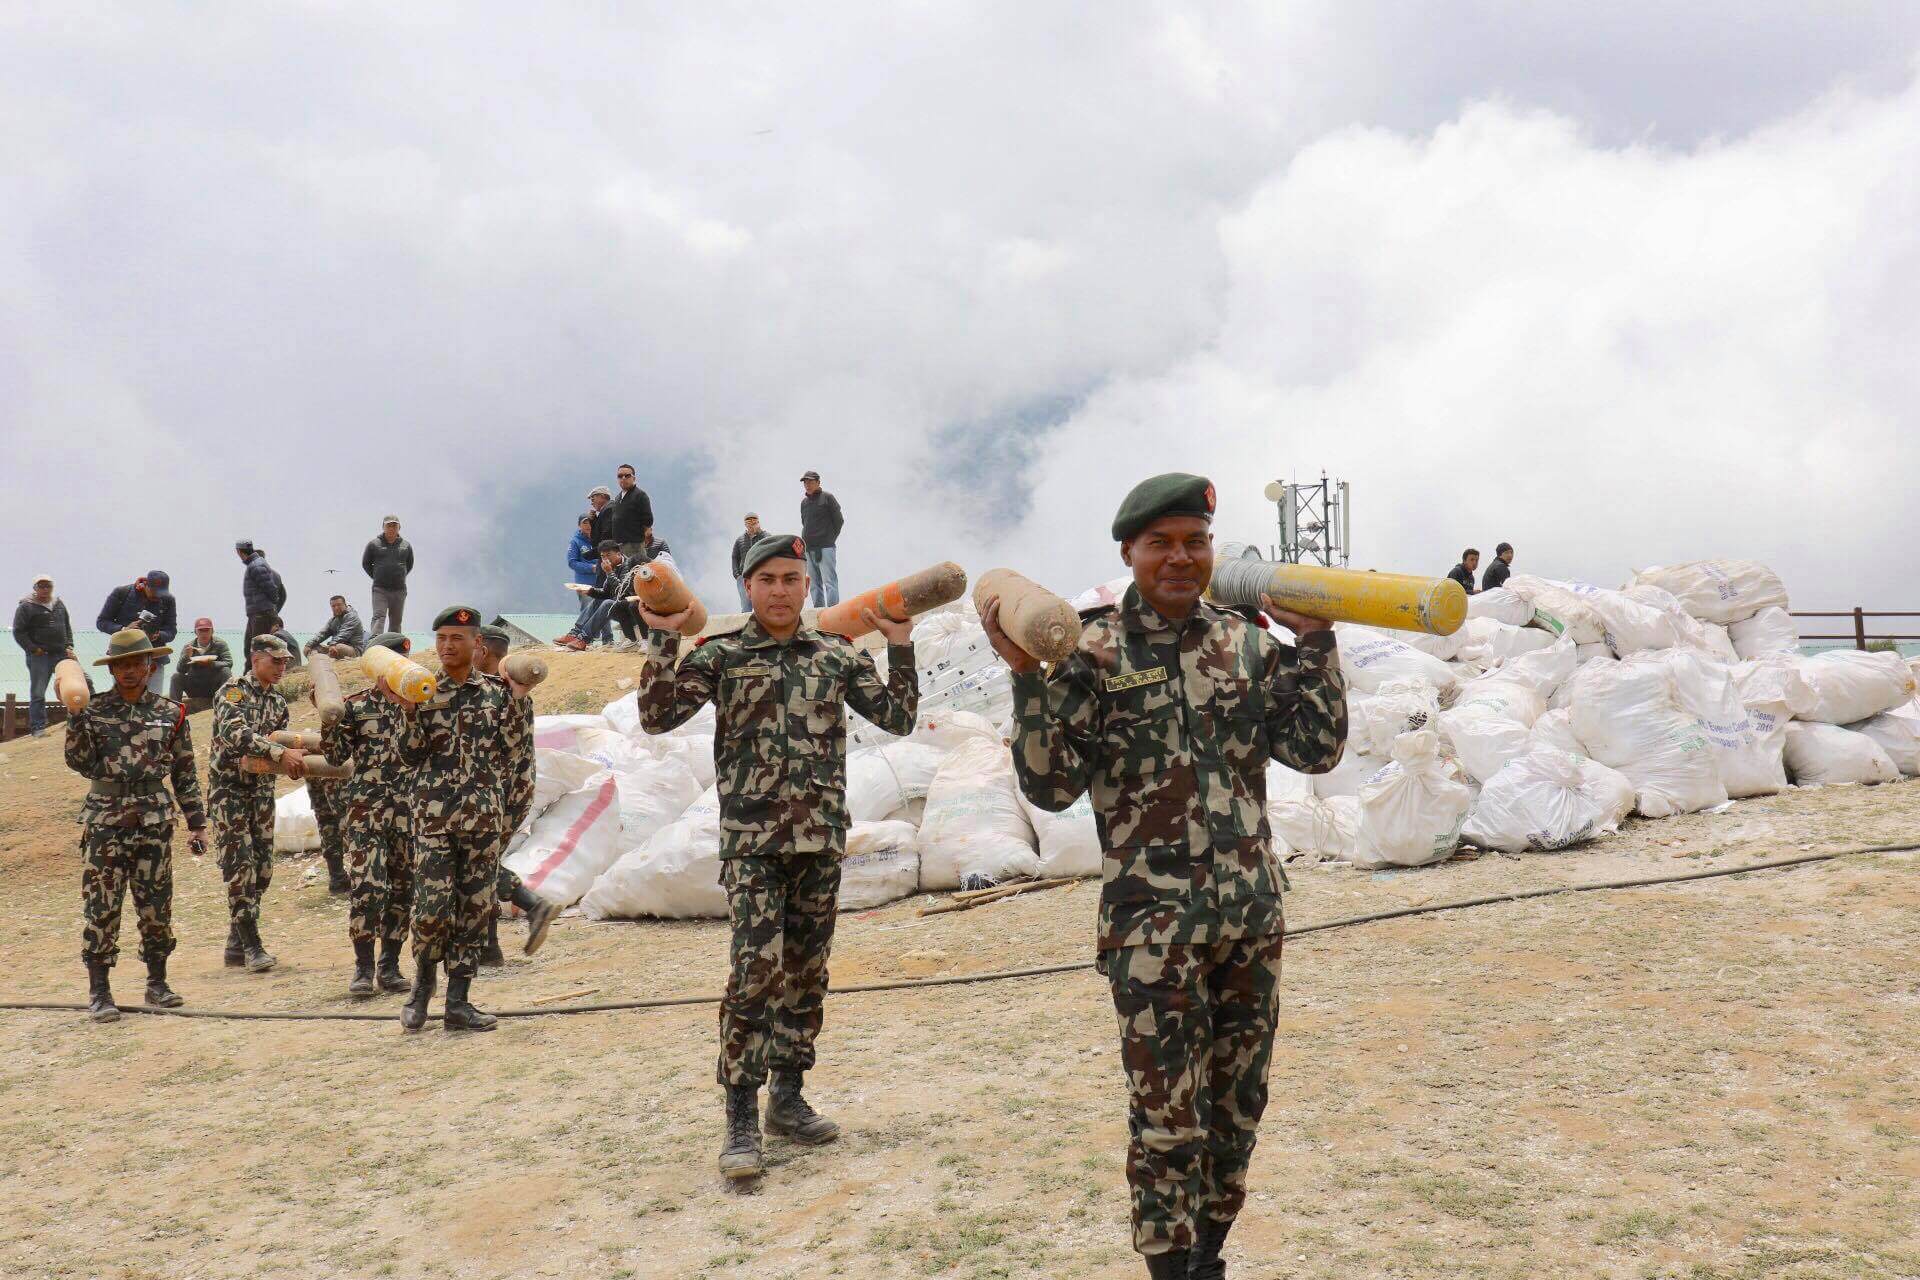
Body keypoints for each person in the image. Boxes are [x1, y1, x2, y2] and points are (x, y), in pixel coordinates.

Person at [985, 473, 1348, 1280]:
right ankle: (1170, 1267)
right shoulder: (1090, 653)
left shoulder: (1247, 645)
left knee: (1237, 1111)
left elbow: (1316, 749)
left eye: (1196, 542)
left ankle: (1207, 1258)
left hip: (1250, 920)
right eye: (1162, 544)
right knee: (1166, 1121)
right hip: (1152, 932)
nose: (1181, 558)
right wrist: (1026, 678)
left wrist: (1317, 644)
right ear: (1130, 553)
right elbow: (1050, 786)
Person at [637, 532, 919, 1182]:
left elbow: (899, 718)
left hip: (819, 841)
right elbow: (655, 718)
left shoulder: (836, 654)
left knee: (807, 973)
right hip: (753, 846)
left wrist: (901, 645)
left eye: (791, 579)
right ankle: (740, 1114)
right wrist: (660, 638)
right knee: (755, 975)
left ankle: (787, 1098)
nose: (780, 591)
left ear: (807, 585)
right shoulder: (722, 656)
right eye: (767, 580)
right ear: (748, 587)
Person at [62, 628, 207, 1021]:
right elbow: (78, 762)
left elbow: (184, 772)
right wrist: (75, 720)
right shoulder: (93, 710)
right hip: (105, 821)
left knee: (156, 906)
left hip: (154, 821)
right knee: (102, 906)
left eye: (136, 663)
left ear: (150, 666)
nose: (128, 671)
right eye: (121, 664)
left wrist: (197, 823)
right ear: (111, 669)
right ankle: (100, 992)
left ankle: (157, 983)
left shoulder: (171, 712)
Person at [398, 606, 519, 1034]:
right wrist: (409, 713)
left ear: (477, 644)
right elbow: (408, 755)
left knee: (474, 909)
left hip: (482, 819)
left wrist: (520, 700)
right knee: (431, 910)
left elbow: (514, 750)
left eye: (457, 639)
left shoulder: (498, 694)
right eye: (442, 638)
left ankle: (459, 1002)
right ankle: (422, 987)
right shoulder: (422, 691)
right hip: (434, 819)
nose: (447, 646)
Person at [321, 630, 423, 997]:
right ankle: (363, 968)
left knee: (402, 889)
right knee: (367, 887)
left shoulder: (423, 704)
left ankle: (389, 966)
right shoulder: (357, 706)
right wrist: (329, 722)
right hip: (367, 812)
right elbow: (335, 757)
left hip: (409, 812)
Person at [209, 634, 304, 973]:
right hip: (230, 792)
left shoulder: (278, 702)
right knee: (240, 867)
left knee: (262, 870)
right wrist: (280, 752)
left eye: (285, 661)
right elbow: (235, 735)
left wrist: (293, 758)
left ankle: (236, 944)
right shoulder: (233, 692)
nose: (281, 667)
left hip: (262, 792)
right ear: (255, 659)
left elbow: (279, 742)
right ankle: (252, 946)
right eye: (275, 661)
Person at [473, 625, 561, 963]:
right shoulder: (498, 691)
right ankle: (489, 947)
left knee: (476, 863)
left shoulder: (501, 694)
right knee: (482, 864)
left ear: (483, 651)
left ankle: (532, 906)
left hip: (498, 797)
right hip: (505, 795)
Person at [96, 571, 178, 695]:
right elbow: (102, 622)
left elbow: (171, 631)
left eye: (161, 593)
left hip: (153, 659)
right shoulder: (122, 593)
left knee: (154, 700)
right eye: (154, 591)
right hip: (123, 658)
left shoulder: (168, 601)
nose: (157, 596)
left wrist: (158, 635)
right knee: (123, 699)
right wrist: (124, 629)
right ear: (146, 585)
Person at [13, 574, 75, 736]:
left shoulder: (59, 604)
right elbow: (19, 632)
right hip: (40, 655)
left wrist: (69, 645)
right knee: (38, 692)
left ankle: (78, 719)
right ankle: (38, 727)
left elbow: (67, 626)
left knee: (75, 684)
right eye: (41, 586)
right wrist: (33, 649)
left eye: (48, 586)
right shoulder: (26, 606)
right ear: (35, 588)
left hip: (61, 652)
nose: (45, 589)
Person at [555, 542, 627, 650]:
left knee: (607, 603)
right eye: (603, 556)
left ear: (618, 554)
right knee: (598, 600)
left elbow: (622, 592)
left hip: (630, 607)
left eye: (608, 555)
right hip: (617, 605)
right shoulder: (610, 567)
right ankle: (575, 634)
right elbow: (606, 593)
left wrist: (609, 573)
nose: (605, 559)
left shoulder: (628, 566)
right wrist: (590, 591)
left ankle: (584, 639)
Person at [558, 513, 611, 647]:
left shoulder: (599, 540)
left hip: (601, 581)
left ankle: (608, 639)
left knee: (602, 607)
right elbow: (572, 562)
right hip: (583, 583)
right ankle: (586, 639)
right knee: (587, 608)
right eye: (585, 523)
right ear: (579, 525)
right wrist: (592, 568)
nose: (588, 526)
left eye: (590, 523)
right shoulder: (575, 542)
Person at [798, 471, 843, 607]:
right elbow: (805, 523)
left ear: (818, 482)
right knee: (814, 583)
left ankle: (833, 611)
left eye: (810, 481)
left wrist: (829, 539)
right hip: (808, 549)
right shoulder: (804, 503)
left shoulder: (828, 498)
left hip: (825, 548)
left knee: (829, 581)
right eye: (805, 482)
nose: (807, 484)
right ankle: (819, 612)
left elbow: (839, 521)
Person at [362, 516, 414, 633]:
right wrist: (377, 576)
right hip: (380, 589)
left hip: (399, 590)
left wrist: (400, 576)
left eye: (394, 526)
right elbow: (366, 563)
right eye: (388, 525)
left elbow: (409, 565)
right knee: (379, 617)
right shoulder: (374, 544)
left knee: (396, 620)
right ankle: (375, 641)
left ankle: (394, 643)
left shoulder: (406, 545)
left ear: (399, 528)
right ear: (383, 527)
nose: (391, 528)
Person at [236, 540, 288, 657]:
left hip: (262, 615)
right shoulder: (271, 573)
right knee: (254, 647)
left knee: (258, 648)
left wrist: (271, 611)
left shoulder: (259, 569)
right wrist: (275, 611)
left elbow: (274, 593)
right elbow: (282, 595)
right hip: (261, 614)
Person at [169, 618, 233, 703]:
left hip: (213, 686)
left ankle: (227, 704)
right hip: (195, 686)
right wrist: (187, 656)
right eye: (200, 630)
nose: (204, 633)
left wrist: (211, 664)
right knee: (176, 677)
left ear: (212, 631)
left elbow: (229, 662)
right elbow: (180, 670)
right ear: (195, 632)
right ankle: (175, 707)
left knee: (226, 671)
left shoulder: (220, 644)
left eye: (207, 630)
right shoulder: (189, 646)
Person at [609, 463, 655, 564]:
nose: (623, 478)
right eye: (620, 476)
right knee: (623, 572)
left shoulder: (640, 495)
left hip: (634, 545)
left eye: (627, 475)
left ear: (633, 478)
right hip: (619, 546)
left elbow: (648, 520)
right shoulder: (618, 497)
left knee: (636, 570)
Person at [730, 513, 763, 611]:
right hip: (743, 576)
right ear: (745, 523)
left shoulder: (765, 536)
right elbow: (735, 557)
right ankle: (746, 621)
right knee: (746, 605)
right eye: (748, 520)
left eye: (754, 519)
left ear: (758, 521)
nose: (751, 522)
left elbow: (773, 549)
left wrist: (760, 532)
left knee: (761, 602)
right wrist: (737, 574)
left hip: (760, 574)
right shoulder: (740, 540)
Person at [587, 484, 614, 549]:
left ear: (602, 496)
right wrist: (594, 520)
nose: (591, 503)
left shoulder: (609, 509)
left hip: (608, 549)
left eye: (593, 499)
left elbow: (607, 534)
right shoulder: (606, 510)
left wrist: (601, 549)